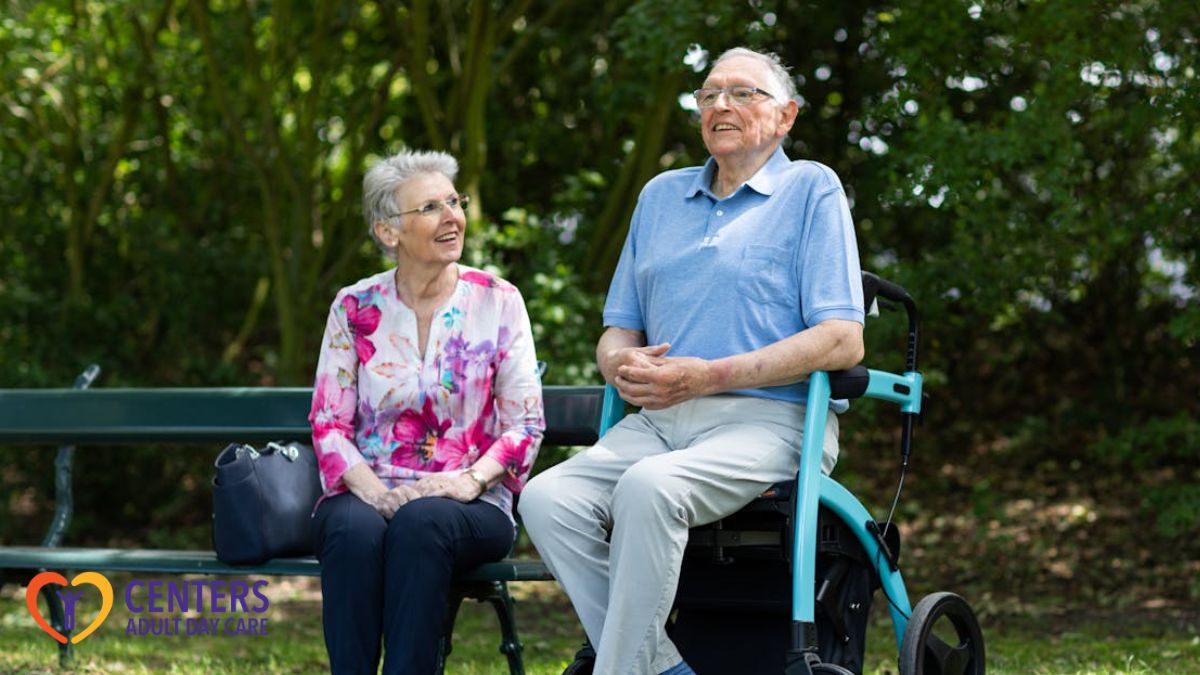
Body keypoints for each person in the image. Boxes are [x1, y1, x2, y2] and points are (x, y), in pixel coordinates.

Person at [518, 47, 865, 675]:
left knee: (651, 488)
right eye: (708, 95)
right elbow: (618, 329)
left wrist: (710, 375)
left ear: (785, 116)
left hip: (772, 419)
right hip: (658, 422)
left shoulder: (810, 187)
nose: (720, 105)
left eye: (742, 93)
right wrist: (619, 365)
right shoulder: (661, 196)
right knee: (547, 497)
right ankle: (663, 668)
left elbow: (843, 338)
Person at [308, 149, 545, 674]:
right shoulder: (354, 306)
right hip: (370, 487)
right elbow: (328, 422)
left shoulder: (499, 301)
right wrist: (376, 493)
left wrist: (469, 481)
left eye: (454, 202)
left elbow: (526, 423)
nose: (452, 216)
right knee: (351, 531)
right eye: (431, 207)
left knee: (422, 524)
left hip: (471, 498)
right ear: (389, 232)